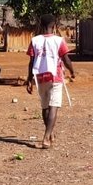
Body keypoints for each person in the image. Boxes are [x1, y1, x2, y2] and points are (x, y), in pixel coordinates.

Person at [25, 14, 75, 149]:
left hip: (40, 77)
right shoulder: (59, 41)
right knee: (54, 106)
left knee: (45, 107)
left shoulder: (34, 40)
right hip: (55, 77)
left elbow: (31, 62)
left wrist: (29, 80)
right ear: (54, 26)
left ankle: (50, 133)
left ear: (41, 25)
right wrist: (72, 71)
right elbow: (66, 59)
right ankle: (47, 138)